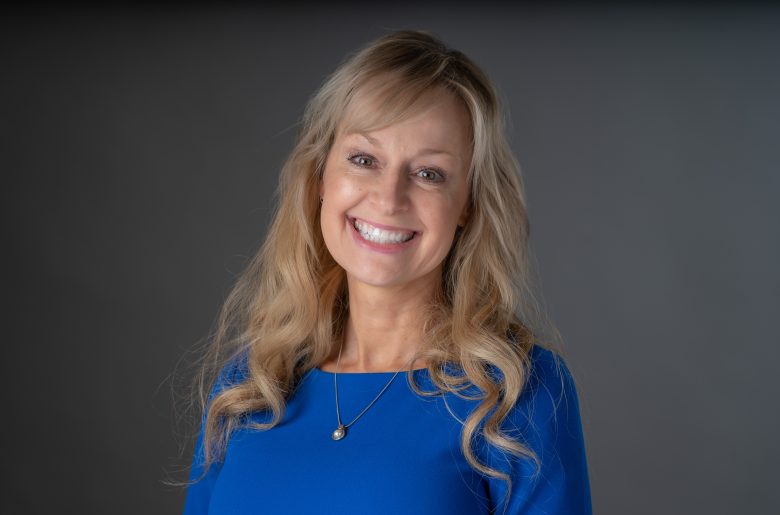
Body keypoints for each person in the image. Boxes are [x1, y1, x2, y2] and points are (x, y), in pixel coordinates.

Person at [183, 30, 591, 514]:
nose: (388, 197)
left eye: (428, 173)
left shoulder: (516, 392)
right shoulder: (250, 384)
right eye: (363, 160)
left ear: (468, 204)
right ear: (320, 178)